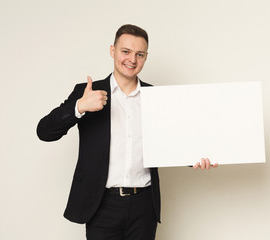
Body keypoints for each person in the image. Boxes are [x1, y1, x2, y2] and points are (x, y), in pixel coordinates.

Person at [37, 24, 218, 240]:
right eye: (126, 51)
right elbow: (45, 132)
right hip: (101, 205)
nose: (132, 59)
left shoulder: (156, 97)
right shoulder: (88, 93)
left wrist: (198, 158)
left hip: (144, 206)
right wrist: (79, 107)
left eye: (139, 54)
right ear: (112, 51)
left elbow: (173, 142)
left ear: (146, 57)